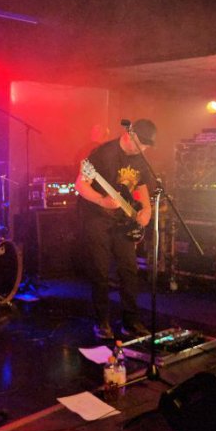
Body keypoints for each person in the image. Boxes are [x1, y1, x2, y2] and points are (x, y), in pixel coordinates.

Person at [74, 119, 156, 340]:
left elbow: (141, 185)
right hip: (96, 218)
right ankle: (102, 322)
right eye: (141, 144)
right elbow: (81, 184)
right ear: (130, 135)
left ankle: (131, 322)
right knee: (100, 271)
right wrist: (101, 200)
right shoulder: (103, 153)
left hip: (123, 220)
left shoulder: (140, 158)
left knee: (129, 269)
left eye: (147, 146)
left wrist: (146, 209)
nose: (143, 149)